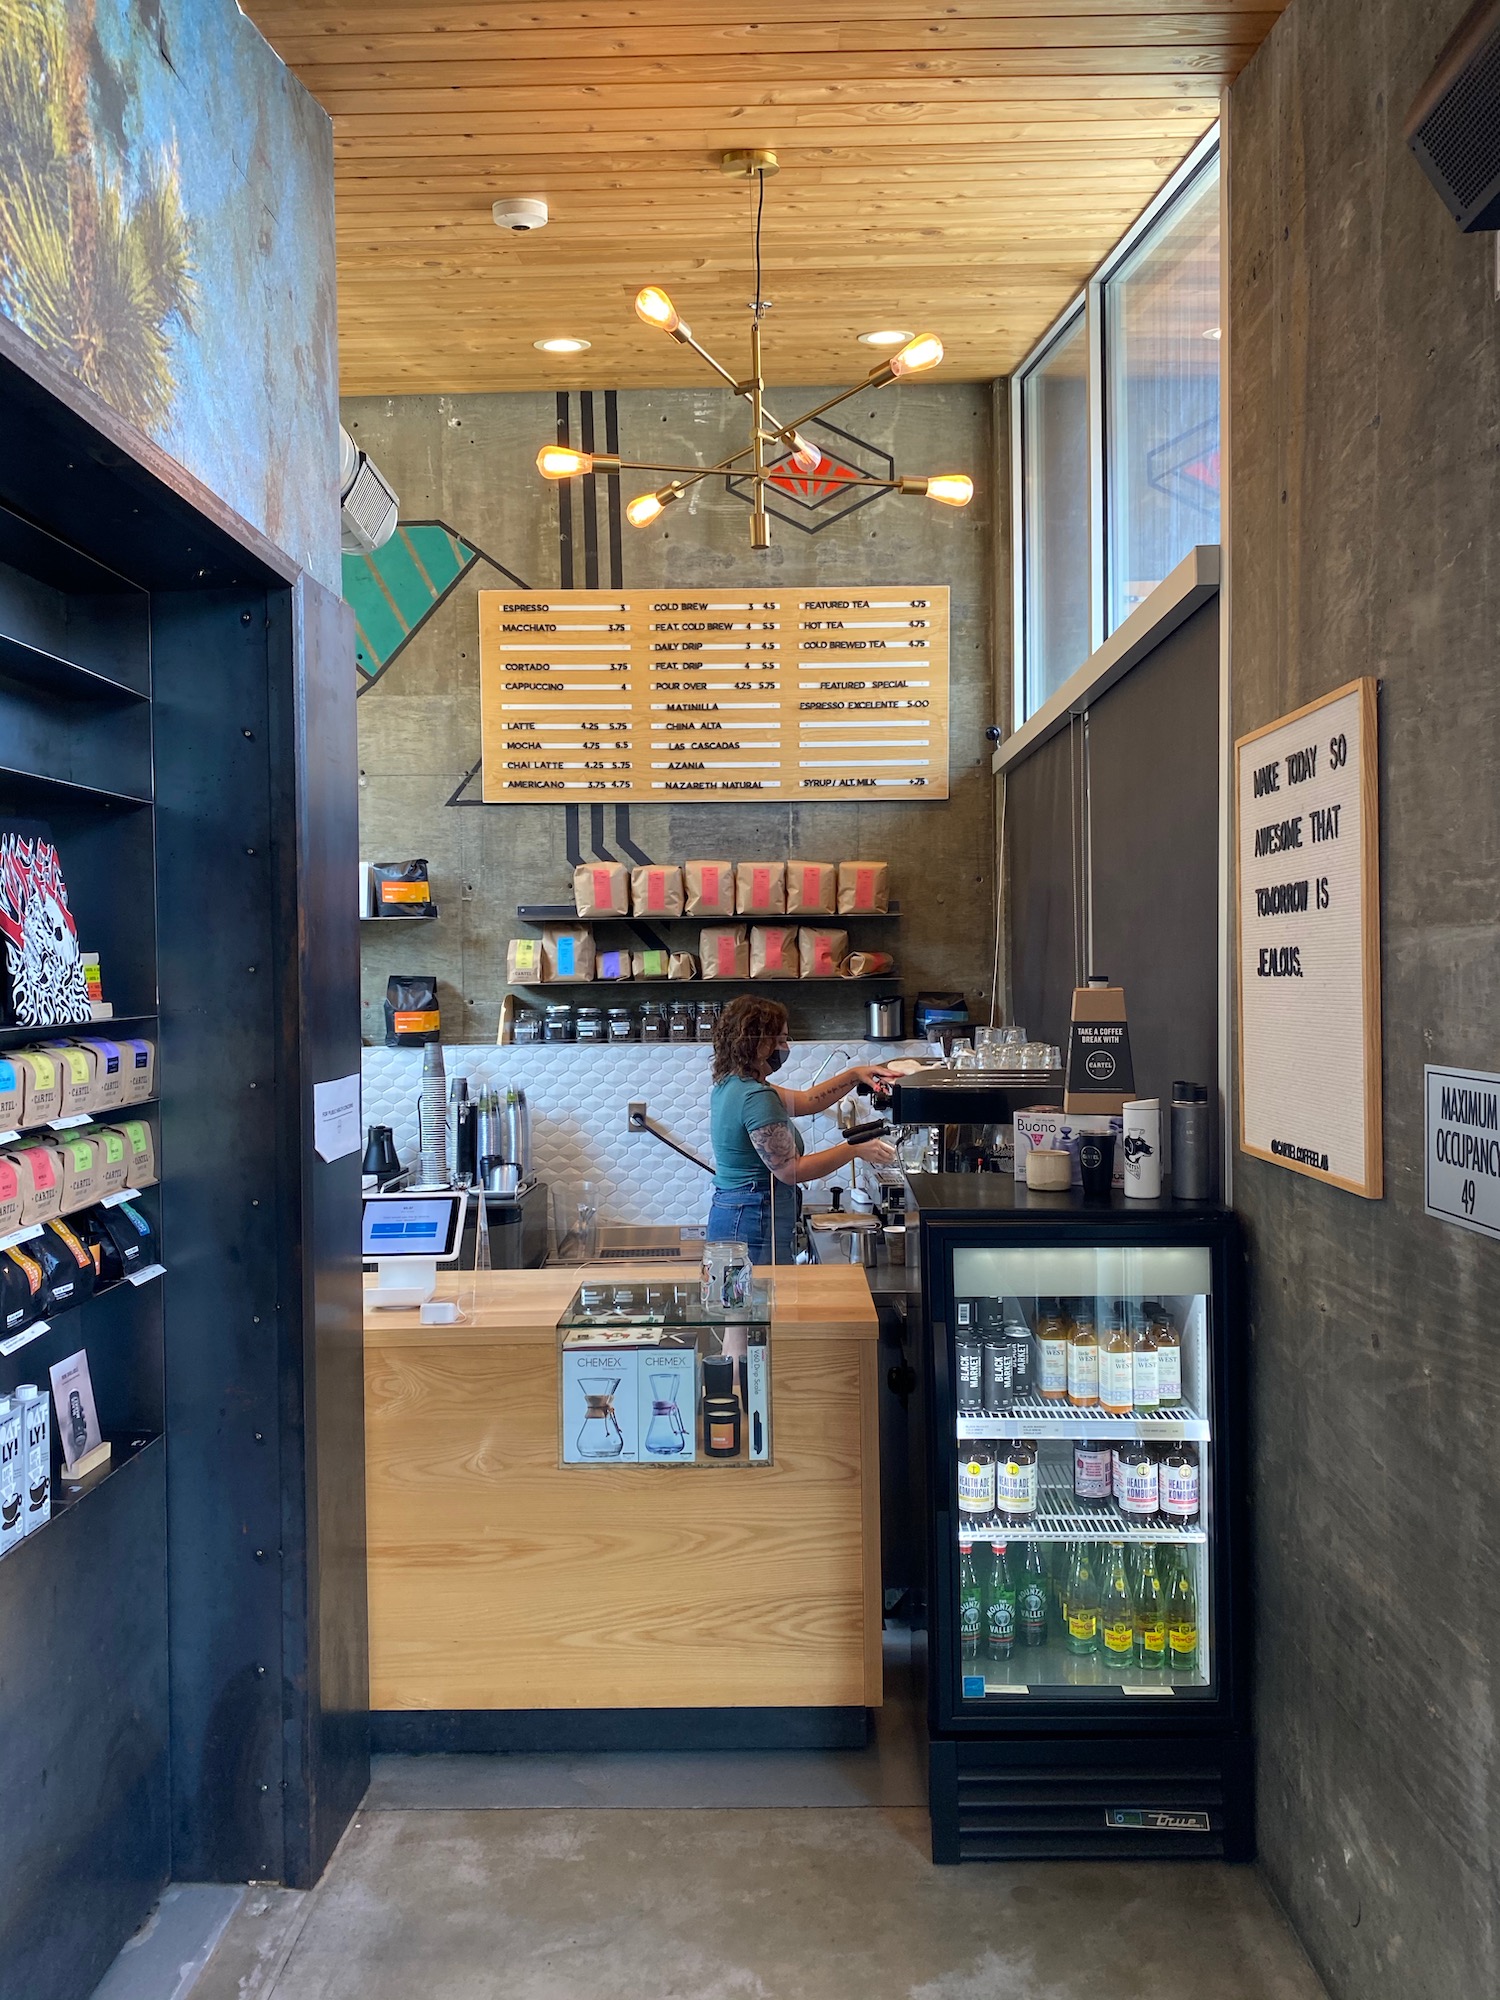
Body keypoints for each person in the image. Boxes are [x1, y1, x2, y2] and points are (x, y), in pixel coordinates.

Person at [707, 995, 898, 1266]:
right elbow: (790, 1170)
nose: (785, 1047)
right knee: (759, 1300)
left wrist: (855, 1075)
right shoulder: (755, 1097)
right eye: (781, 1039)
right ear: (760, 1043)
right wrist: (853, 1149)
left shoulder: (734, 1084)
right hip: (752, 1216)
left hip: (739, 1212)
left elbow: (807, 1101)